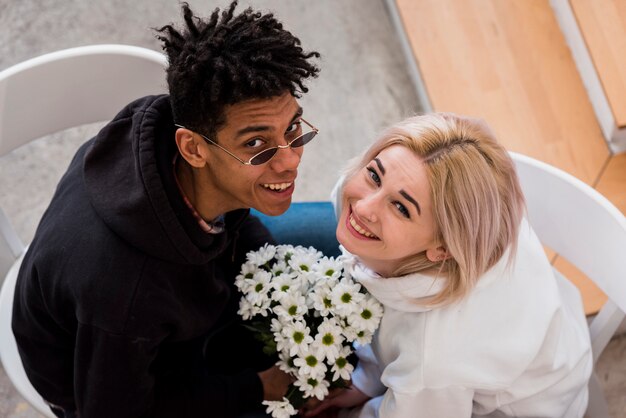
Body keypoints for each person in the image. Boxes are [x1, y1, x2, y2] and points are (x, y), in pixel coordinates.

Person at [12, 2, 320, 417]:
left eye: (293, 129)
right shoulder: (127, 295)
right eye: (256, 144)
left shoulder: (163, 134)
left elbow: (236, 224)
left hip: (163, 312)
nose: (289, 161)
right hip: (92, 373)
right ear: (192, 148)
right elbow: (117, 408)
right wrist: (255, 386)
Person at [307, 113, 592, 417]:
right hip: (545, 334)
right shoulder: (482, 215)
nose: (363, 207)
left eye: (401, 207)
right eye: (375, 175)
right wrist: (366, 380)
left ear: (442, 249)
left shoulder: (432, 358)